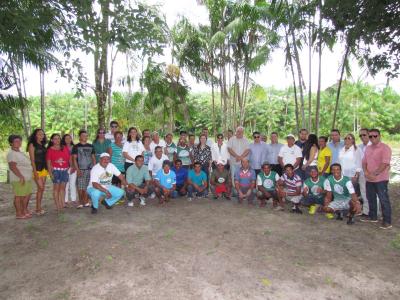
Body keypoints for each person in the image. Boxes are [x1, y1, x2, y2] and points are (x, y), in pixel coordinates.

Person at [361, 129, 392, 229]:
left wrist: (374, 174)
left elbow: (385, 163)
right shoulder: (368, 148)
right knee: (371, 198)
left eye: (375, 136)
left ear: (379, 136)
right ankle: (373, 217)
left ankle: (387, 221)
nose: (373, 138)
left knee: (384, 200)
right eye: (370, 136)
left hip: (381, 179)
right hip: (369, 179)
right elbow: (364, 162)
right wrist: (366, 172)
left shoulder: (385, 148)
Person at [7, 135, 33, 219]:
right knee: (19, 196)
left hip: (27, 177)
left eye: (20, 141)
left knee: (27, 194)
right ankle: (19, 213)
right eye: (16, 141)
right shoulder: (12, 154)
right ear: (11, 143)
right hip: (19, 178)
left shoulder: (19, 152)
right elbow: (12, 166)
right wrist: (21, 177)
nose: (19, 143)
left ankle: (24, 210)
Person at [46, 133, 71, 212]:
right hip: (56, 171)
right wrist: (50, 173)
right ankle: (57, 205)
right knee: (56, 189)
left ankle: (62, 203)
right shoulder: (50, 150)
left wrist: (70, 167)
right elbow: (48, 162)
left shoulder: (64, 148)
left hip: (65, 170)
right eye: (55, 139)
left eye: (58, 138)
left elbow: (69, 158)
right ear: (52, 140)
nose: (57, 140)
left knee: (63, 188)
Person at [72, 130, 96, 209]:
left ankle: (86, 201)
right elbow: (74, 159)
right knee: (80, 186)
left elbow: (93, 158)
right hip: (81, 169)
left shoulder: (91, 146)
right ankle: (80, 202)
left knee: (87, 186)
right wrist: (77, 169)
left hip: (89, 169)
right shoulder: (76, 146)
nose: (85, 137)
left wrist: (94, 168)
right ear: (80, 137)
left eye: (86, 135)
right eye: (83, 135)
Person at [357, 128, 378, 217]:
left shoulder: (374, 146)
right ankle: (366, 211)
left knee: (374, 194)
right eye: (360, 135)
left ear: (369, 134)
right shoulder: (359, 147)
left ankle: (375, 212)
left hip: (372, 174)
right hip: (362, 173)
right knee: (364, 192)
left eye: (364, 135)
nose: (362, 137)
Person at [27, 128, 48, 215]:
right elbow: (32, 160)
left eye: (42, 134)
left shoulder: (43, 145)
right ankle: (38, 208)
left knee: (41, 189)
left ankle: (38, 208)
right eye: (39, 134)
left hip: (44, 169)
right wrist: (35, 172)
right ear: (35, 135)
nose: (41, 136)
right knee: (41, 188)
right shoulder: (32, 145)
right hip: (37, 170)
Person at [228, 126, 250, 192]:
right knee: (233, 176)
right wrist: (236, 156)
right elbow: (229, 149)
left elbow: (248, 150)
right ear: (236, 132)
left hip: (243, 163)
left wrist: (240, 157)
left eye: (241, 132)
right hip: (233, 162)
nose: (239, 133)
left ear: (243, 132)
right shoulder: (231, 139)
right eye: (238, 131)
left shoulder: (246, 140)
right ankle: (235, 191)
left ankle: (242, 190)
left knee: (243, 176)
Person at [62, 134, 77, 207]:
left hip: (73, 168)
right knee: (66, 184)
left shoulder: (74, 147)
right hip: (64, 168)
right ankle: (65, 200)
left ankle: (73, 199)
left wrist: (74, 167)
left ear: (71, 139)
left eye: (69, 138)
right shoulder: (62, 147)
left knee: (72, 184)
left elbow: (76, 158)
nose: (68, 140)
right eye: (66, 138)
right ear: (64, 140)